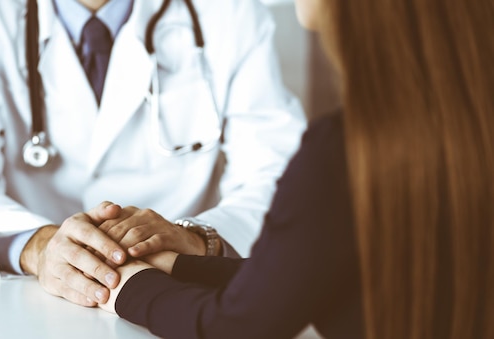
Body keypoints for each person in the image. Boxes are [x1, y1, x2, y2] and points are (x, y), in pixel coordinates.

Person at [96, 0, 494, 338]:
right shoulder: (462, 125)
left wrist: (124, 285)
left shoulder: (343, 151)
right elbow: (307, 271)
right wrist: (181, 265)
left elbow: (236, 326)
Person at [0, 0, 306, 307]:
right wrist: (41, 246)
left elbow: (281, 173)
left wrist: (201, 240)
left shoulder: (227, 10)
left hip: (180, 290)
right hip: (30, 298)